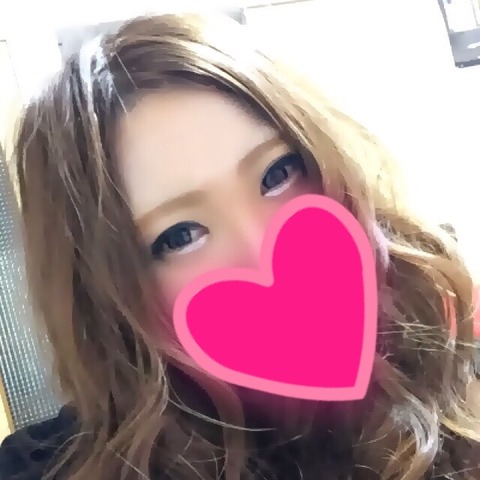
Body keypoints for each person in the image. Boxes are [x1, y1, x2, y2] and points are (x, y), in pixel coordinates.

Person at [1, 12, 479, 480]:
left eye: (278, 174)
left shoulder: (444, 333)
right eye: (180, 235)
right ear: (107, 295)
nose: (261, 252)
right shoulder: (55, 466)